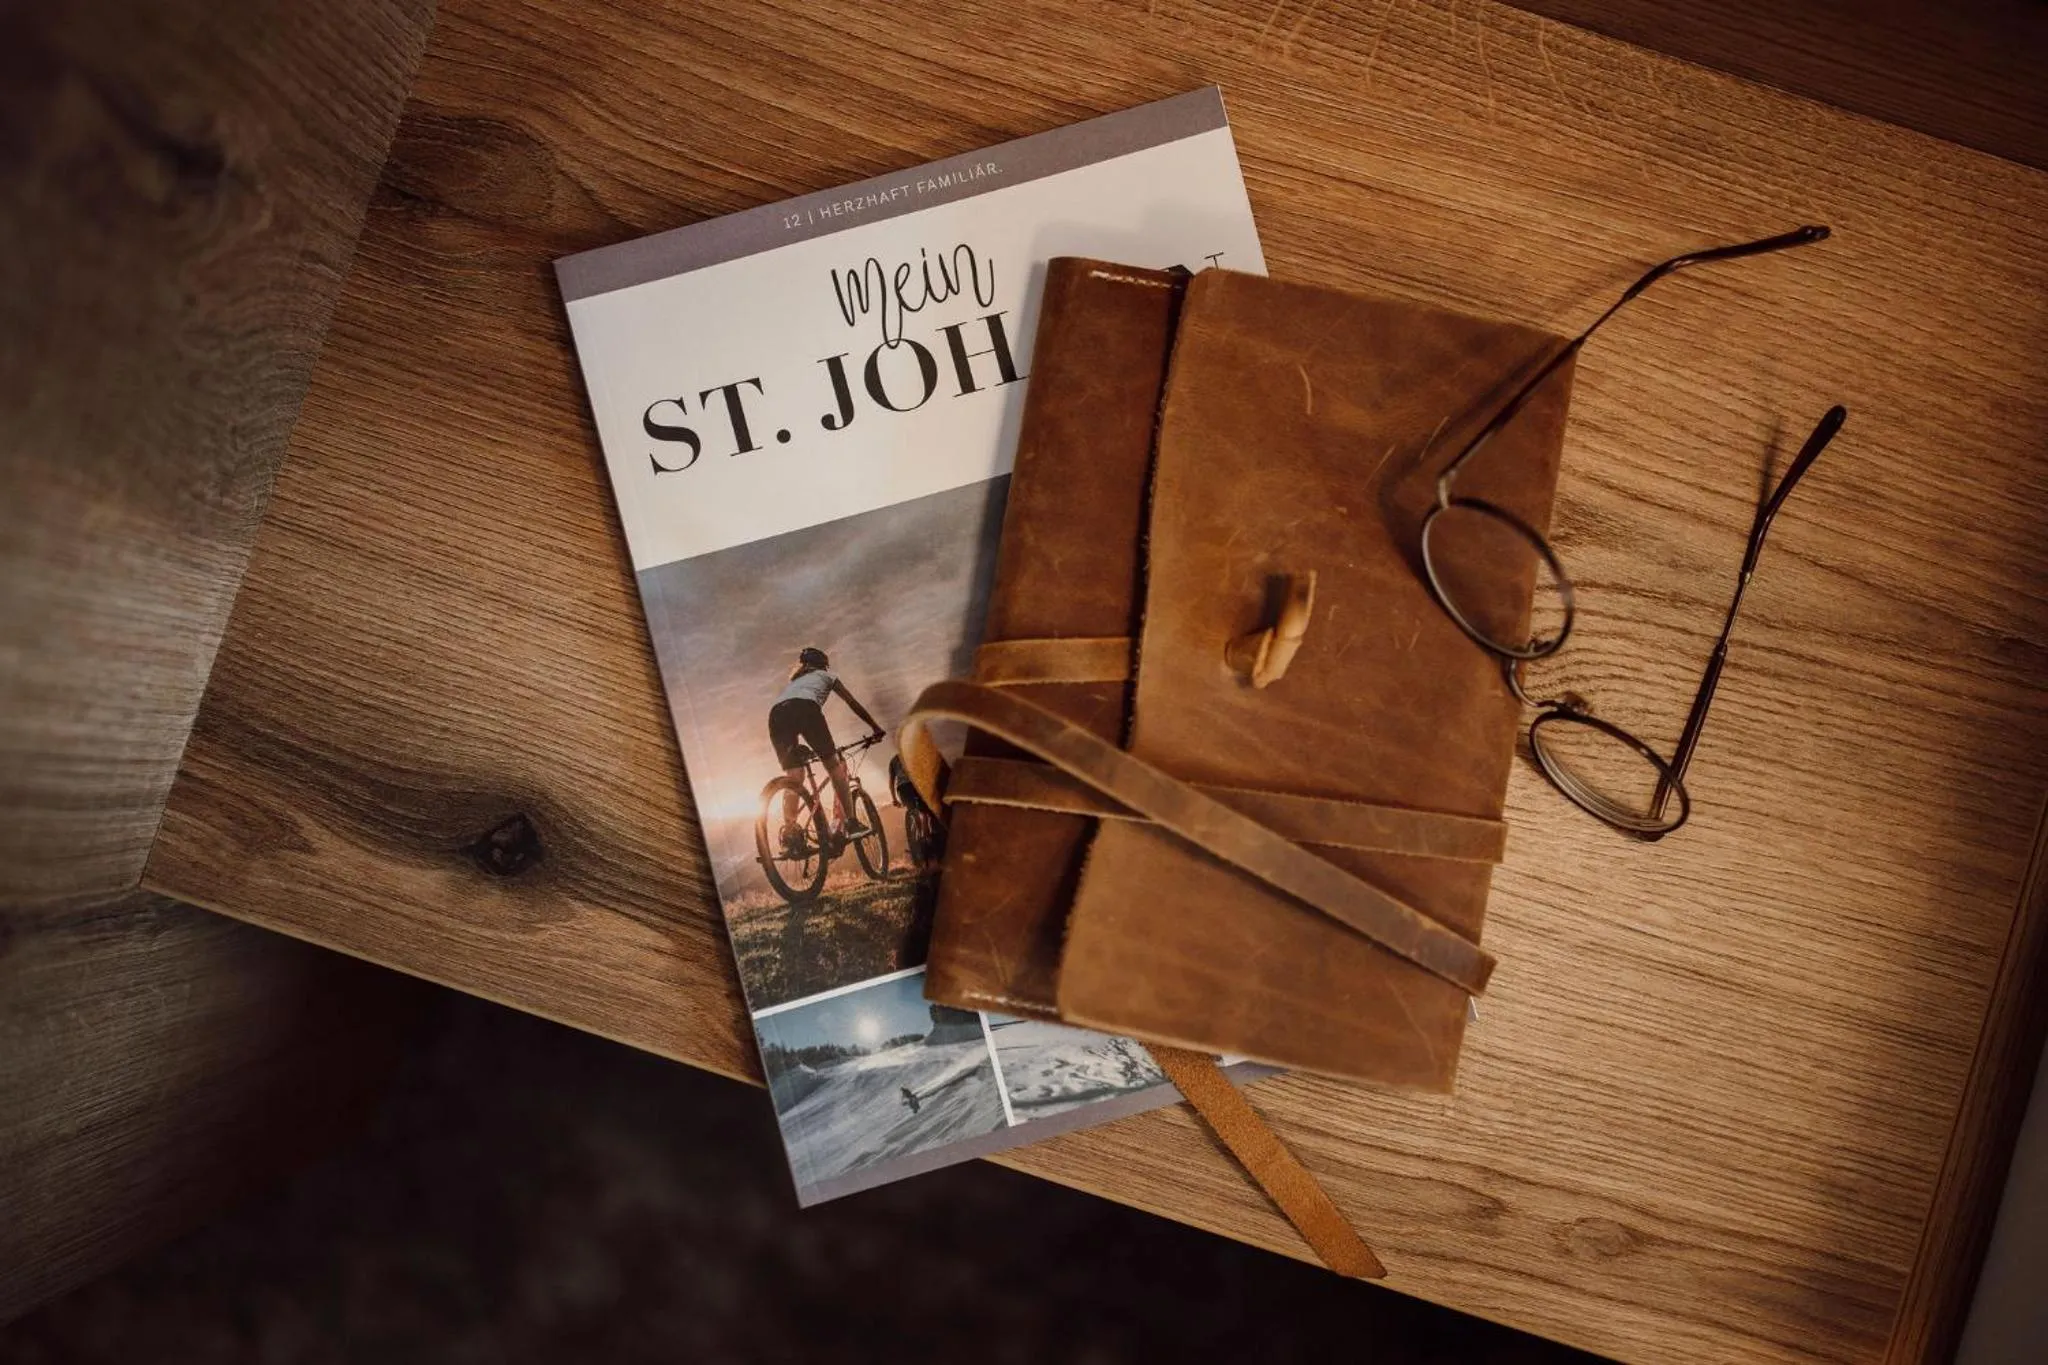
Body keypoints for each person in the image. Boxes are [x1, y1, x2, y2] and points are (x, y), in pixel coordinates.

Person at [767, 646, 885, 838]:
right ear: (824, 665)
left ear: (804, 665)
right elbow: (852, 702)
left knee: (794, 775)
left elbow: (790, 705)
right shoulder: (827, 676)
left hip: (776, 714)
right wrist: (875, 727)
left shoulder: (794, 682)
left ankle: (790, 833)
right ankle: (851, 823)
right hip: (805, 709)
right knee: (832, 765)